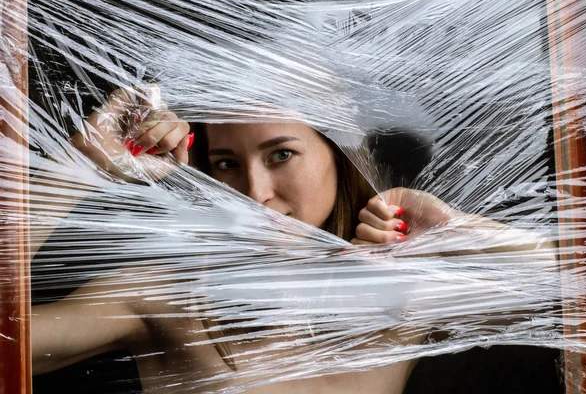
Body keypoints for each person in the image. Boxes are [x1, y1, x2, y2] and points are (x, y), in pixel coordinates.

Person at [31, 87, 555, 394]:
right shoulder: (163, 300)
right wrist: (79, 166)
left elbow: (575, 295)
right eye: (227, 164)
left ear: (337, 157)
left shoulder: (401, 299)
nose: (255, 193)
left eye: (281, 154)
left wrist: (460, 233)